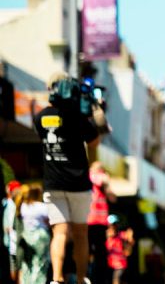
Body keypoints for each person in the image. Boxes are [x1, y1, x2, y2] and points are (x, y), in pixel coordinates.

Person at [34, 72, 103, 284]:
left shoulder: (40, 116)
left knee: (60, 233)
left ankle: (57, 278)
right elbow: (94, 142)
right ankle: (81, 279)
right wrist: (91, 109)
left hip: (53, 183)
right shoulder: (77, 116)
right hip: (79, 184)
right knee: (81, 233)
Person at [16, 183, 51, 284]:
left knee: (27, 262)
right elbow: (48, 221)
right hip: (40, 236)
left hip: (27, 235)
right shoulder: (42, 206)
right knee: (40, 263)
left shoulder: (24, 206)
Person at [88, 161, 115, 283]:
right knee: (89, 251)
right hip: (89, 222)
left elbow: (113, 198)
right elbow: (99, 179)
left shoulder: (102, 186)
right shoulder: (90, 176)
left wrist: (107, 186)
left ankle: (98, 278)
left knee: (100, 254)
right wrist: (105, 177)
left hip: (100, 223)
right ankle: (87, 276)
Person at [105, 215, 133, 284]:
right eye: (111, 225)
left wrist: (130, 238)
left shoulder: (122, 235)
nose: (113, 227)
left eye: (115, 224)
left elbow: (130, 243)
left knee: (116, 280)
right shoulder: (106, 237)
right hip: (110, 266)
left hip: (120, 265)